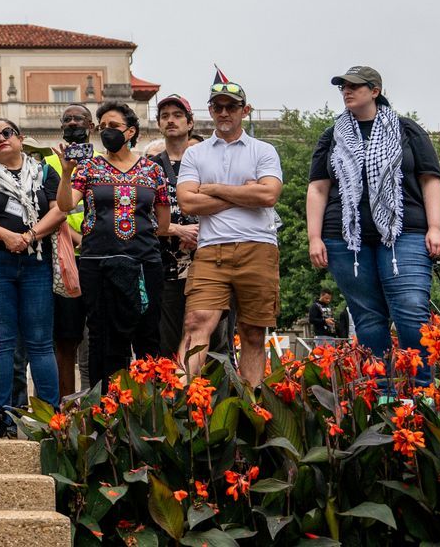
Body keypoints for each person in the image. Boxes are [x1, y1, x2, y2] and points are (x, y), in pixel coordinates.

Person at [305, 66, 440, 372]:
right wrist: (314, 237)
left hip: (405, 231)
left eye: (355, 86)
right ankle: (381, 391)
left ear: (375, 91)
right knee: (367, 316)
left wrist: (435, 228)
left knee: (410, 309)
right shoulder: (332, 135)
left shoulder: (407, 130)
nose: (347, 91)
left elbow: (430, 179)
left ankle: (422, 391)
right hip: (344, 237)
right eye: (343, 86)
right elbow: (317, 187)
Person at [177, 72, 284, 386]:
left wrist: (211, 189)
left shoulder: (264, 150)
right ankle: (180, 406)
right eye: (218, 106)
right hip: (211, 249)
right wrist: (242, 194)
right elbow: (187, 203)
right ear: (210, 110)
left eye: (232, 107)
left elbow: (268, 195)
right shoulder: (195, 153)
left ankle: (252, 408)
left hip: (258, 245)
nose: (224, 112)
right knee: (196, 323)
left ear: (244, 110)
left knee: (252, 331)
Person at [0, 117, 66, 435]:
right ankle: (1, 417)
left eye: (7, 133)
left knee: (40, 343)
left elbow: (61, 208)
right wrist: (7, 237)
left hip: (35, 262)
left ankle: (50, 416)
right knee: (2, 343)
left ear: (21, 138)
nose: (0, 139)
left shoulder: (45, 172)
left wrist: (31, 234)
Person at [59, 102, 170, 385]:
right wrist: (66, 173)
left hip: (144, 264)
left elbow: (164, 222)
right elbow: (66, 204)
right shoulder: (89, 167)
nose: (106, 132)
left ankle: (147, 410)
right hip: (98, 263)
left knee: (147, 334)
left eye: (113, 127)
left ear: (131, 131)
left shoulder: (152, 170)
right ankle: (105, 410)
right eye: (102, 127)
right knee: (102, 337)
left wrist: (136, 242)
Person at [148, 95, 215, 358]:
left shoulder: (209, 159)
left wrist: (202, 233)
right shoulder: (150, 167)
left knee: (215, 340)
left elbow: (228, 202)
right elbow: (137, 217)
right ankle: (174, 397)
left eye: (177, 115)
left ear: (190, 122)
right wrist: (177, 229)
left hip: (210, 261)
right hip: (167, 266)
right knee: (170, 339)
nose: (171, 120)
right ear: (159, 124)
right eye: (165, 116)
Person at [47, 103, 93, 399]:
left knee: (95, 340)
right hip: (63, 260)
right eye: (67, 120)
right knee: (64, 341)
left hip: (96, 259)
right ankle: (63, 407)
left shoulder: (102, 160)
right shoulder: (49, 163)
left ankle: (95, 401)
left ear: (91, 126)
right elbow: (50, 208)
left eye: (79, 119)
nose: (73, 123)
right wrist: (76, 237)